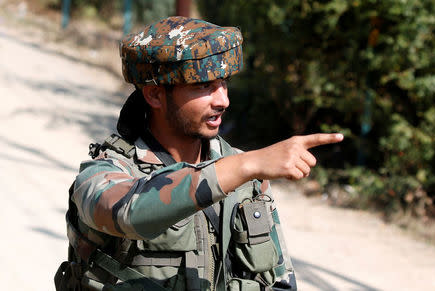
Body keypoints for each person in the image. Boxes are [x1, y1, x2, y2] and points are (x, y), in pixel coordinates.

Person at [54, 16, 343, 291]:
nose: (223, 100)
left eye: (224, 83)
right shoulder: (105, 173)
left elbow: (279, 278)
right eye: (204, 85)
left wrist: (246, 169)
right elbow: (129, 213)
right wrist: (247, 164)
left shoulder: (247, 180)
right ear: (154, 95)